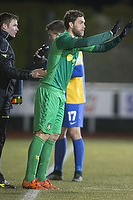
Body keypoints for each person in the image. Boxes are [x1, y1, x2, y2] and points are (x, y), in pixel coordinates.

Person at [22, 9, 133, 190]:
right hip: (50, 91)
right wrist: (110, 33)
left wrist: (119, 38)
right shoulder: (64, 39)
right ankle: (29, 178)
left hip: (60, 93)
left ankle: (41, 178)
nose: (84, 25)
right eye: (81, 22)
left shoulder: (74, 44)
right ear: (71, 24)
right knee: (42, 133)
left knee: (54, 136)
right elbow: (88, 41)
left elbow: (100, 48)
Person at [0, 12, 46, 189]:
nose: (17, 28)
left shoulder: (1, 43)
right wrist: (31, 74)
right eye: (15, 25)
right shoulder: (1, 43)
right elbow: (7, 72)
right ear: (4, 26)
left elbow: (3, 70)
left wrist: (32, 65)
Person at [38, 20, 85, 182]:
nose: (50, 38)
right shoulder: (61, 46)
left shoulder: (74, 45)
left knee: (74, 132)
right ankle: (57, 171)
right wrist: (45, 61)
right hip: (61, 94)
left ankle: (78, 172)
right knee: (58, 133)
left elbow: (78, 71)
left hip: (73, 96)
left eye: (51, 35)